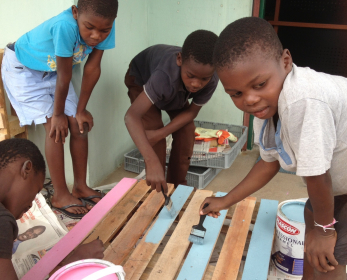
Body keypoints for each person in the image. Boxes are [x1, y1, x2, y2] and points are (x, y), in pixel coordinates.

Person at [199, 17, 347, 280]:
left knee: (332, 251)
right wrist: (225, 200)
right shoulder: (267, 105)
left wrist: (324, 229)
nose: (249, 99)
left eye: (259, 85)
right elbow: (268, 162)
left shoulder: (302, 101)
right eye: (236, 94)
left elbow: (317, 175)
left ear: (286, 61)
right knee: (314, 222)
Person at [1, 0, 118, 218]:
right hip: (23, 69)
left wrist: (81, 110)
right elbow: (65, 76)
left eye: (104, 30)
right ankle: (60, 194)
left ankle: (80, 186)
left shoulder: (106, 24)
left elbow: (92, 68)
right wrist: (57, 115)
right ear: (75, 13)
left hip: (52, 72)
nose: (96, 36)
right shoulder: (65, 26)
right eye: (89, 28)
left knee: (78, 124)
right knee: (56, 128)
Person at [124, 30, 219, 193]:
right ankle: (156, 189)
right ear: (179, 59)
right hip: (141, 79)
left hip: (174, 90)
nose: (196, 84)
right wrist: (151, 160)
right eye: (191, 76)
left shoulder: (212, 77)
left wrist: (161, 133)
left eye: (203, 79)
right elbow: (131, 116)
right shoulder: (164, 76)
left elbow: (191, 113)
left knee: (186, 130)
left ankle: (176, 186)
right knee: (153, 129)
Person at [0, 138, 104, 280]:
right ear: (27, 169)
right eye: (36, 191)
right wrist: (73, 263)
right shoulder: (2, 222)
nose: (31, 205)